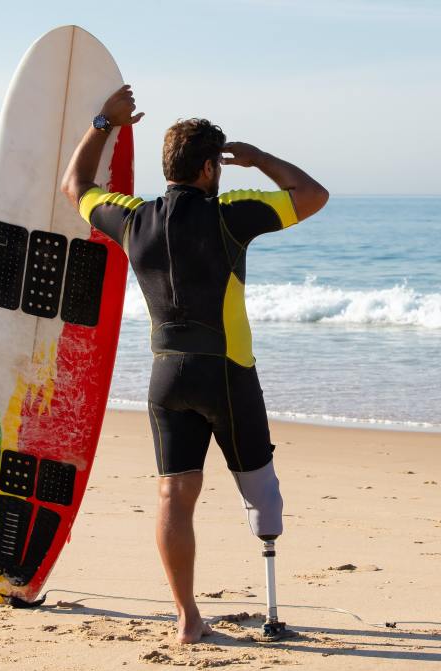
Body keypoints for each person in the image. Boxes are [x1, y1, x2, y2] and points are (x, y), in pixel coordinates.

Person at [60, 85, 328, 643]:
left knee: (174, 496)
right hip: (227, 374)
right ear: (210, 168)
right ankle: (271, 609)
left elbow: (75, 186)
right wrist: (259, 158)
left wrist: (103, 123)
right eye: (220, 165)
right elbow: (312, 194)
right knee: (261, 491)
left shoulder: (134, 219)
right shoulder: (230, 214)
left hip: (166, 377)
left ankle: (187, 619)